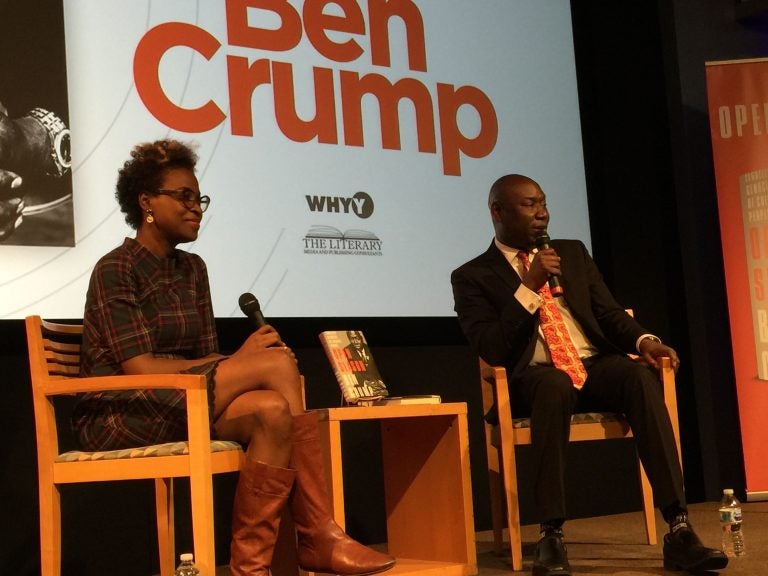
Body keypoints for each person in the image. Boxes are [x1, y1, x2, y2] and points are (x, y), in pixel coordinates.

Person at [71, 140, 395, 576]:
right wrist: (244, 360)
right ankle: (318, 531)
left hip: (183, 400)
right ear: (146, 202)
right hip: (122, 410)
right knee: (277, 364)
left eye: (199, 198)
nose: (196, 207)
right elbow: (139, 369)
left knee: (273, 411)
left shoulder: (194, 269)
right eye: (183, 197)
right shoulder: (116, 268)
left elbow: (205, 355)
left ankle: (251, 569)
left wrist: (236, 364)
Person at [450, 174, 727, 576]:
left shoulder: (572, 253)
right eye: (529, 204)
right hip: (534, 377)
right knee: (553, 385)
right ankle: (551, 536)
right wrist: (528, 287)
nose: (542, 213)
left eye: (543, 203)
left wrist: (646, 341)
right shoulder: (472, 276)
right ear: (497, 210)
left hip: (592, 366)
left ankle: (679, 529)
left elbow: (610, 314)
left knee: (637, 378)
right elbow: (491, 347)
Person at [345, 330, 386, 395]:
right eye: (352, 339)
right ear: (349, 340)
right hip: (361, 387)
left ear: (361, 337)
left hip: (378, 385)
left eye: (357, 338)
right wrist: (365, 383)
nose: (356, 342)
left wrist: (379, 382)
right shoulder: (346, 350)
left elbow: (375, 369)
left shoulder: (368, 348)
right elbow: (352, 372)